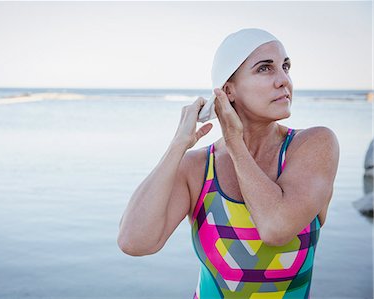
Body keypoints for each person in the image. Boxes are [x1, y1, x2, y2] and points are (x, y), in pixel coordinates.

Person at [117, 28, 339, 298]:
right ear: (228, 91)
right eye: (265, 69)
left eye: (285, 66)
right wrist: (177, 146)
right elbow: (134, 242)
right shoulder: (198, 167)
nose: (283, 80)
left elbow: (275, 227)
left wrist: (235, 142)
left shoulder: (313, 145)